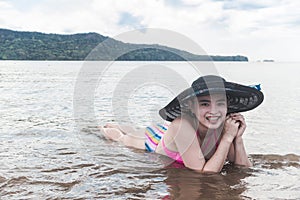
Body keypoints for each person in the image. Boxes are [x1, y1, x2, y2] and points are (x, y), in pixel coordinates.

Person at [100, 75, 264, 173]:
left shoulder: (225, 123)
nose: (214, 111)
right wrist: (228, 138)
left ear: (227, 106)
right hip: (156, 143)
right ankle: (111, 128)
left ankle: (123, 126)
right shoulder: (181, 125)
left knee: (139, 130)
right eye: (205, 104)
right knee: (124, 138)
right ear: (191, 106)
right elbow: (203, 172)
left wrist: (238, 138)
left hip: (168, 134)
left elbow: (243, 167)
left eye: (220, 103)